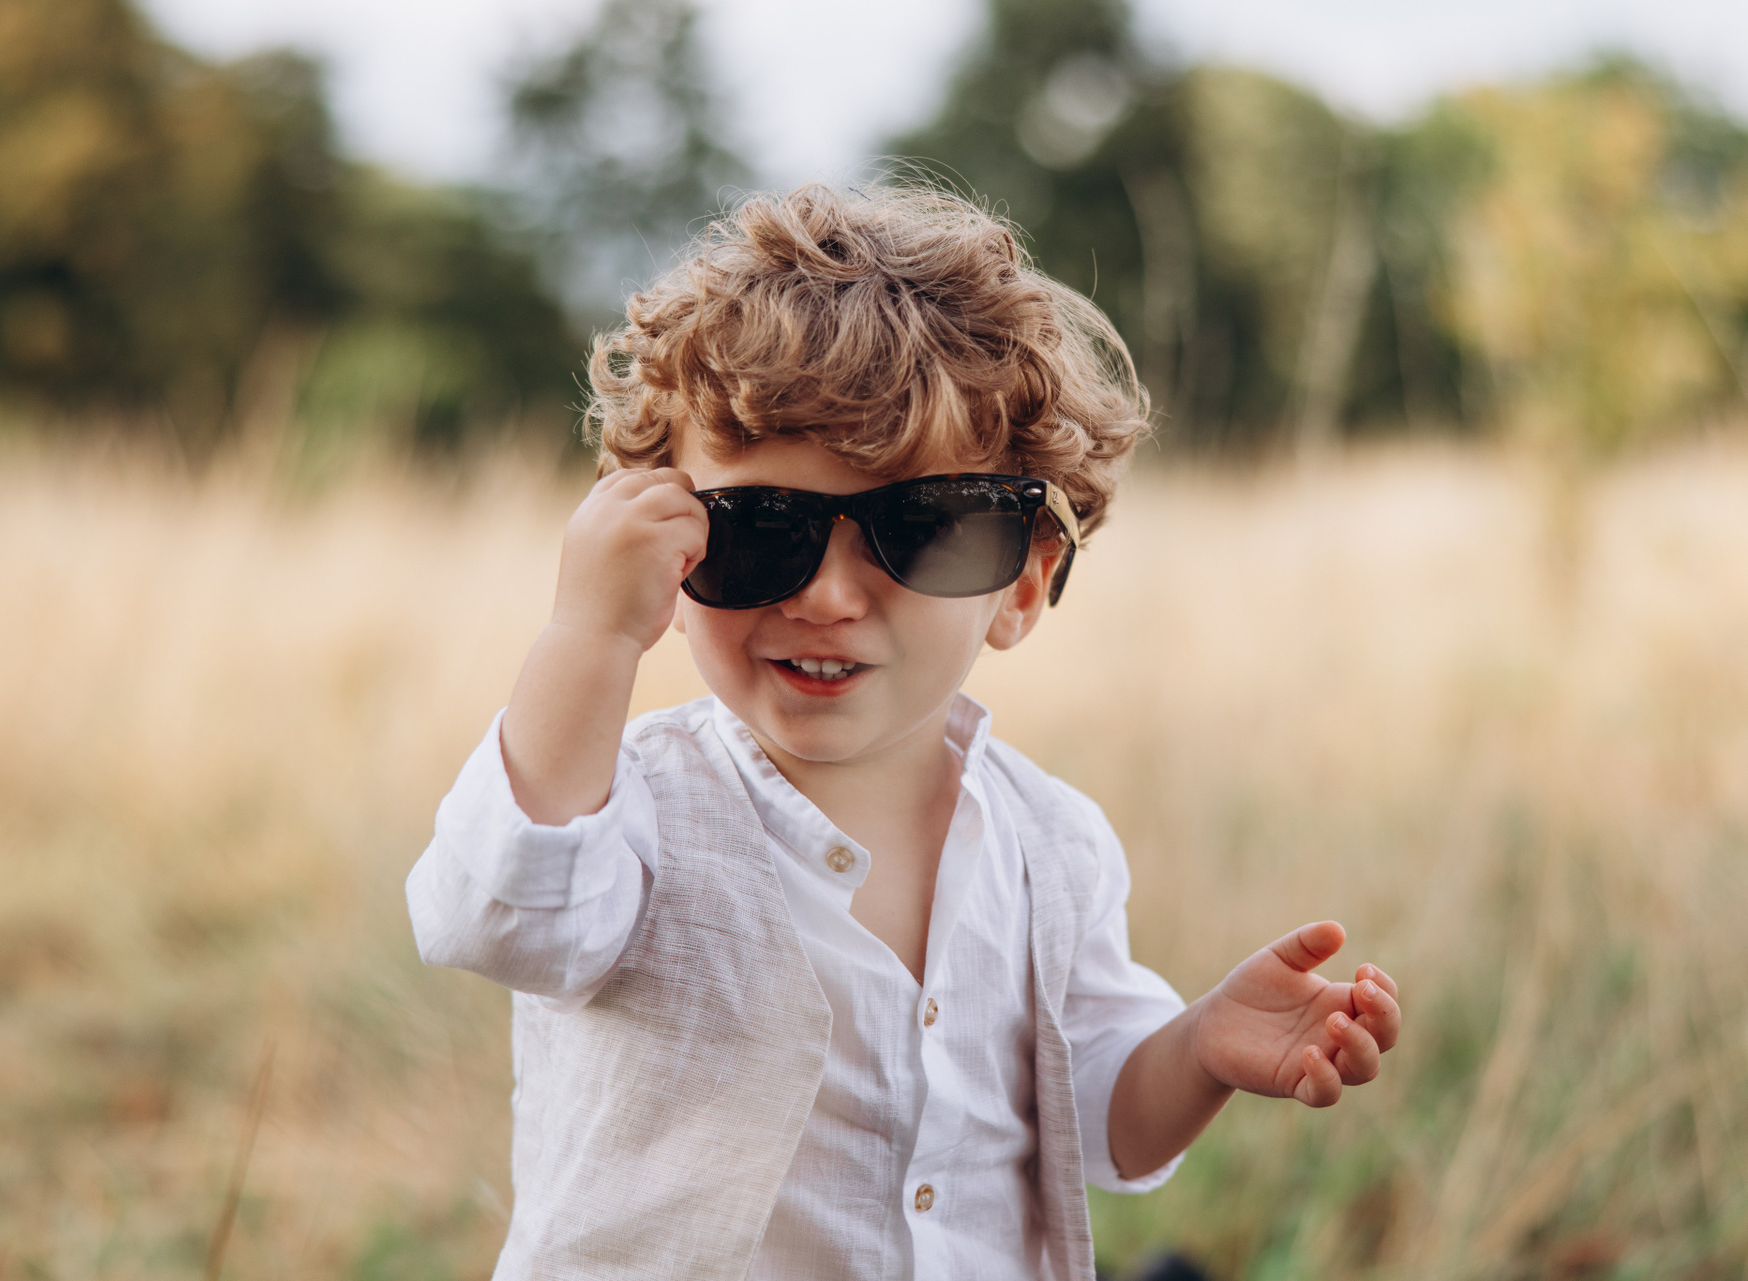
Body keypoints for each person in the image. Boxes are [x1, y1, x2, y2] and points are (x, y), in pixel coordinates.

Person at [406, 184, 1400, 1281]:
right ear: (667, 553)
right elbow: (503, 917)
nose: (828, 598)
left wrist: (1201, 1047)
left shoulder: (1053, 845)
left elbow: (1097, 1118)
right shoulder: (624, 810)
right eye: (758, 532)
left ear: (1023, 584)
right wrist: (589, 635)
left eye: (921, 532)